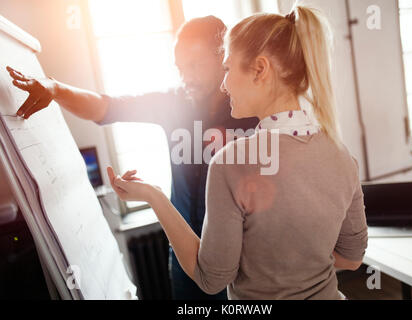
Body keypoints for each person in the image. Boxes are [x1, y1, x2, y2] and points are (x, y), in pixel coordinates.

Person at [106, 5, 368, 300]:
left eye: (228, 69)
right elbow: (352, 258)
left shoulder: (230, 163)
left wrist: (154, 196)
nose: (224, 83)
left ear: (260, 69)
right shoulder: (342, 157)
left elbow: (210, 279)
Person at [6, 16, 258, 300]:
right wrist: (55, 89)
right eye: (180, 68)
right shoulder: (173, 102)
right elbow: (107, 108)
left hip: (241, 262)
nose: (186, 76)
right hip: (186, 259)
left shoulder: (253, 112)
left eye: (194, 65)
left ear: (222, 57)